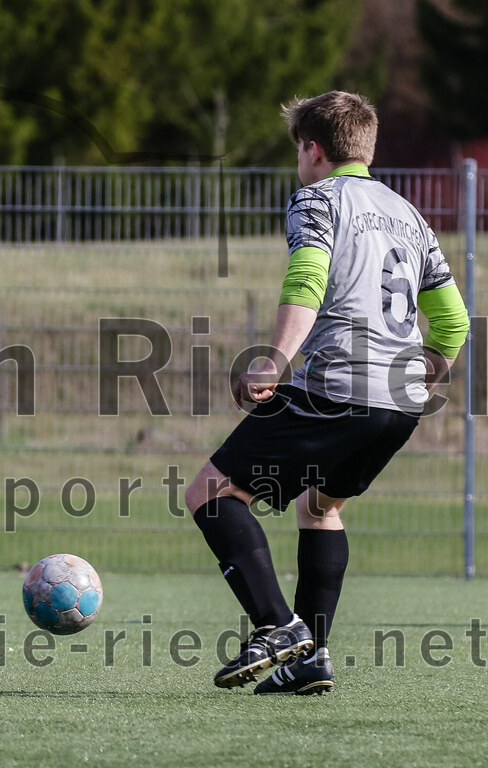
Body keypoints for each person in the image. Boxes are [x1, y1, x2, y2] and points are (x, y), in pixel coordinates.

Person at [184, 91, 469, 694]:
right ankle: (311, 659)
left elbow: (308, 278)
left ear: (312, 150)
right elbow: (454, 321)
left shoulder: (317, 199)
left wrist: (274, 362)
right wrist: (420, 375)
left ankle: (277, 626)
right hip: (400, 403)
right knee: (320, 506)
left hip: (339, 386)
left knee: (211, 492)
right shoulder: (410, 215)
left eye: (298, 151)